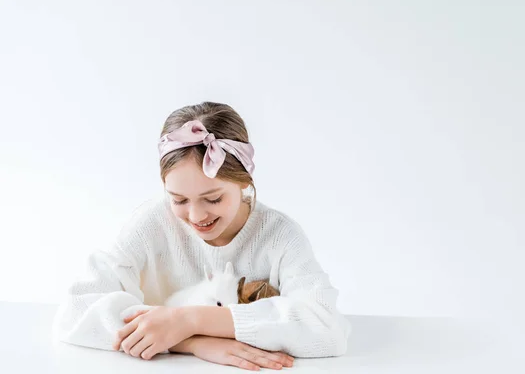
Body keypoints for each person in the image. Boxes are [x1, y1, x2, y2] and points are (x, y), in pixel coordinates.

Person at [52, 102, 351, 371]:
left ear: (243, 180)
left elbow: (327, 328)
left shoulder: (279, 235)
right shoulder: (151, 223)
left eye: (213, 199)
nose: (196, 217)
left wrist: (190, 320)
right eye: (179, 200)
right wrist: (190, 341)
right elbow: (76, 310)